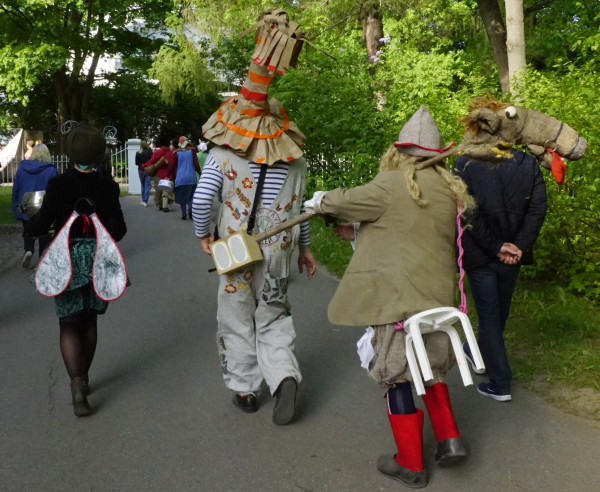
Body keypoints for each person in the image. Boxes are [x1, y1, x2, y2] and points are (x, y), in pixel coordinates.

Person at [304, 106, 475, 488]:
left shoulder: (391, 182)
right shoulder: (448, 189)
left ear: (399, 152)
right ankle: (449, 441)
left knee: (394, 374)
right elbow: (405, 234)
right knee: (430, 366)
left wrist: (318, 202)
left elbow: (339, 201)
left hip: (400, 300)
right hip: (437, 299)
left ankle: (410, 463)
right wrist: (357, 233)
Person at [192, 9, 316, 426]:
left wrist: (202, 234)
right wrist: (307, 249)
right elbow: (300, 210)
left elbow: (204, 197)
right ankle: (283, 377)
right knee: (274, 313)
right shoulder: (295, 161)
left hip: (234, 249)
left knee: (236, 317)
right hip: (280, 249)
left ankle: (246, 390)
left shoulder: (223, 153)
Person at [25, 124, 127, 417]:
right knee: (90, 322)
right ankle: (85, 377)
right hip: (97, 260)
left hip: (63, 261)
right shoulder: (108, 186)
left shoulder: (58, 184)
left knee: (68, 324)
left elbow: (42, 224)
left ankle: (76, 383)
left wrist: (28, 226)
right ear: (98, 156)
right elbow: (118, 231)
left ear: (70, 153)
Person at [454, 149, 547, 402]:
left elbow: (465, 210)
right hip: (510, 252)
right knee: (498, 312)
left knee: (490, 316)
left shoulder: (465, 162)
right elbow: (538, 208)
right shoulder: (527, 162)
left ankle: (500, 382)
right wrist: (517, 245)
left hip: (482, 252)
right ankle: (480, 354)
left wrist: (499, 246)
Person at [12, 143, 58, 268]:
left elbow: (15, 189)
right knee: (45, 232)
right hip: (44, 206)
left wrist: (15, 206)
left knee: (28, 231)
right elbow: (55, 191)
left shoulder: (22, 169)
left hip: (26, 205)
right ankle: (42, 256)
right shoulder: (51, 170)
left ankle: (28, 250)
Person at [168, 136, 201, 220]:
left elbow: (171, 166)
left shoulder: (176, 153)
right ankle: (190, 209)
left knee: (182, 197)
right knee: (191, 196)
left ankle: (183, 213)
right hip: (191, 178)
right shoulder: (192, 151)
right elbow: (196, 165)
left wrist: (168, 175)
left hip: (180, 178)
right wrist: (200, 173)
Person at [141, 135, 174, 212]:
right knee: (166, 190)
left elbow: (151, 161)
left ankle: (159, 204)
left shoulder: (157, 152)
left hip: (158, 174)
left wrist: (144, 165)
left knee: (158, 190)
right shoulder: (171, 153)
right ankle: (165, 205)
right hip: (168, 174)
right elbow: (173, 164)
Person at [135, 139, 153, 206]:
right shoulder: (150, 152)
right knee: (147, 185)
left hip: (140, 169)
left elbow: (136, 163)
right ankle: (145, 201)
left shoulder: (138, 152)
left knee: (142, 184)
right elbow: (152, 161)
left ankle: (143, 200)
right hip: (148, 169)